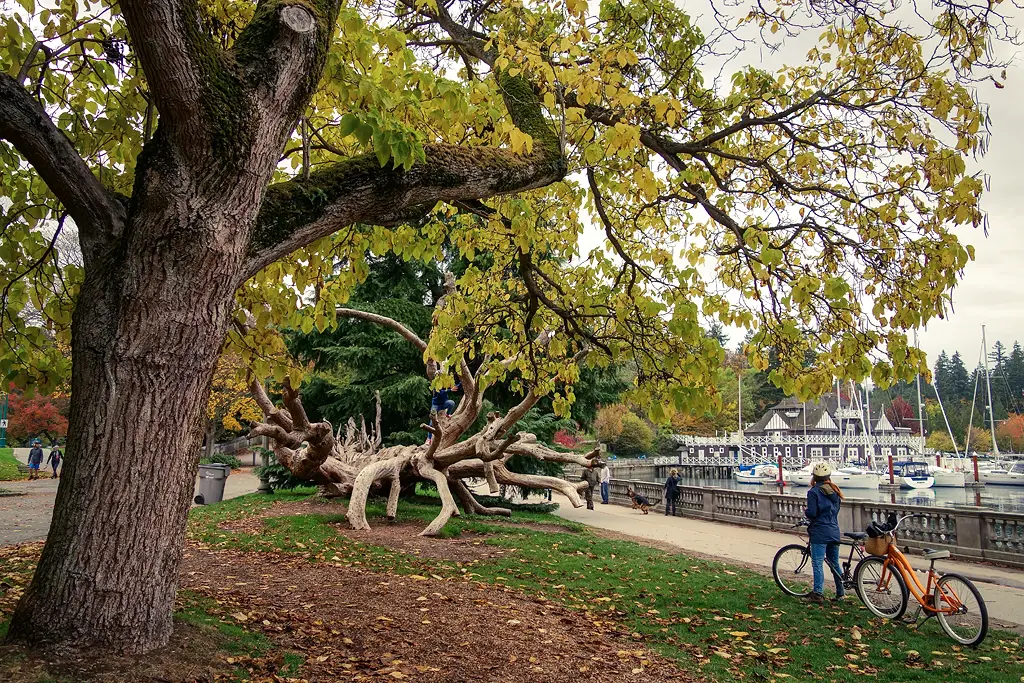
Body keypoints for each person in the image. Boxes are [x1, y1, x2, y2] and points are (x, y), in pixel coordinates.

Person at [804, 461, 846, 603]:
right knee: (835, 563)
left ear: (814, 478)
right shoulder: (835, 491)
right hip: (834, 531)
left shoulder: (813, 492)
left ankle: (818, 593)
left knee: (817, 563)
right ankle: (840, 593)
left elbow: (813, 513)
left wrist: (806, 513)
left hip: (820, 532)